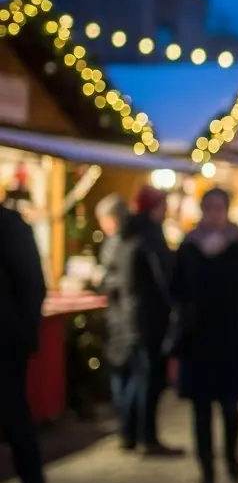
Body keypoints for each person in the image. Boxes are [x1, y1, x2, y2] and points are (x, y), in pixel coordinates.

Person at [169, 188, 238, 483]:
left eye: (219, 207)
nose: (213, 213)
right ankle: (206, 471)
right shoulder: (189, 246)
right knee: (200, 409)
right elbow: (175, 287)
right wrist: (187, 310)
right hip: (197, 337)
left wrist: (237, 303)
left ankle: (232, 456)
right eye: (208, 207)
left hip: (229, 336)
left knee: (230, 406)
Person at [112, 186, 183, 457]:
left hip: (131, 316)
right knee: (150, 378)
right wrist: (176, 303)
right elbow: (163, 274)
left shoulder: (127, 233)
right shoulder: (150, 234)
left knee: (139, 375)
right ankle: (146, 437)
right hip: (150, 317)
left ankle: (128, 432)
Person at [0, 202, 47, 483]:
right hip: (10, 336)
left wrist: (21, 333)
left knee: (13, 414)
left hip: (5, 341)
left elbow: (31, 285)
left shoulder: (10, 227)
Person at [95, 193, 143, 452]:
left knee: (127, 374)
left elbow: (119, 280)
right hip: (123, 318)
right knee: (127, 374)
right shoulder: (124, 241)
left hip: (124, 319)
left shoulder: (122, 243)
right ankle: (128, 428)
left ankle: (127, 428)